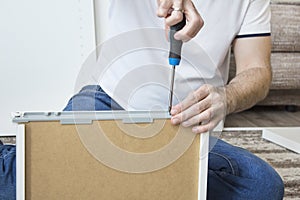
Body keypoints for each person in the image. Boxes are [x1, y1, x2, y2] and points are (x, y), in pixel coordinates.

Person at [0, 0, 284, 199]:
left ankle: (106, 181)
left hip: (184, 126)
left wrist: (227, 97)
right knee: (26, 184)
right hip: (109, 102)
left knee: (261, 186)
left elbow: (257, 70)